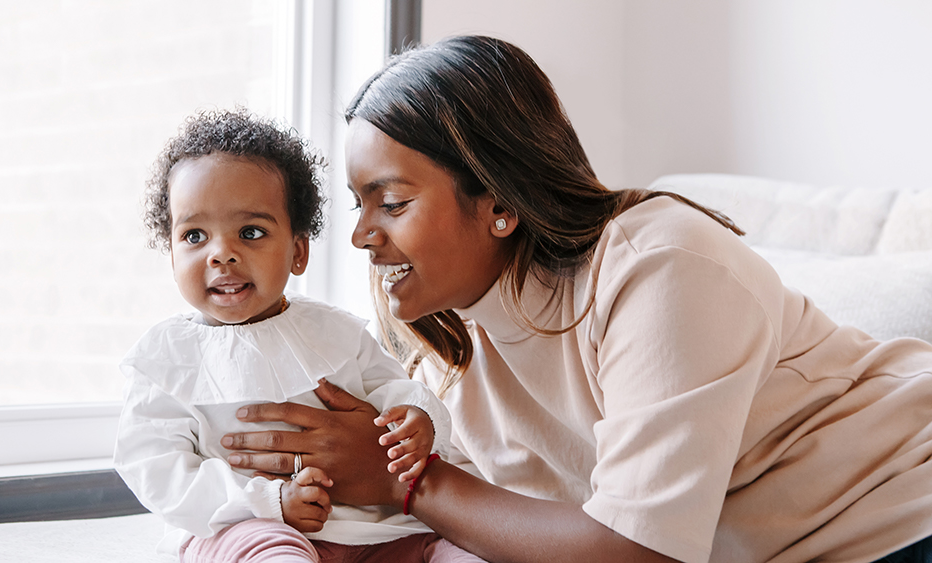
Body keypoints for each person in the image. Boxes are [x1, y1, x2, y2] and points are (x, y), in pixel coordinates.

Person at [219, 36, 932, 563]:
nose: (361, 237)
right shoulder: (448, 354)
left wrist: (409, 483)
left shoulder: (658, 265)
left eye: (393, 201)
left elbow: (635, 551)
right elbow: (490, 528)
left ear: (498, 201)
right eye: (357, 204)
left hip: (900, 518)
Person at [113, 108, 485, 563]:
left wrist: (418, 418)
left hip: (371, 527)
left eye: (250, 232)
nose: (221, 254)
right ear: (170, 253)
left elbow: (393, 388)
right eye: (194, 236)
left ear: (298, 251)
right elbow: (159, 471)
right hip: (246, 527)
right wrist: (270, 503)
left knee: (453, 551)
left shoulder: (334, 331)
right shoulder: (164, 359)